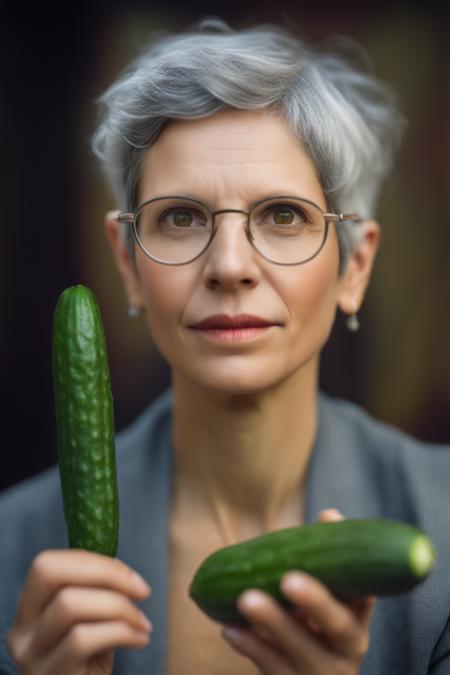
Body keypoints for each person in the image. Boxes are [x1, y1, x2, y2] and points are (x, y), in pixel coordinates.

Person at [1, 16, 449, 675]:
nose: (230, 264)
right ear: (128, 263)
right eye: (181, 217)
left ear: (354, 267)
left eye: (282, 215)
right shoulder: (10, 545)